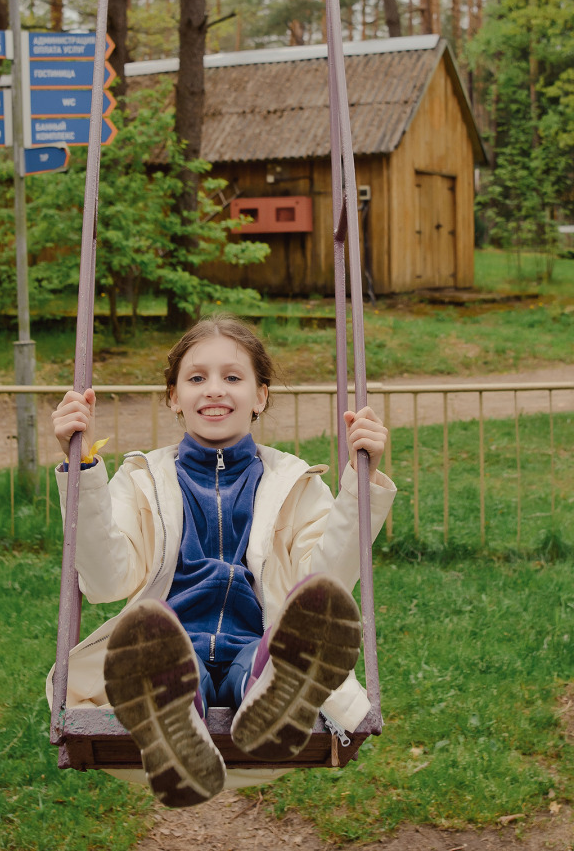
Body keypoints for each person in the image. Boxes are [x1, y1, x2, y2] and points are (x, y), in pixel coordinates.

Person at [47, 314, 396, 809]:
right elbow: (104, 579)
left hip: (253, 649)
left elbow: (324, 581)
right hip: (169, 649)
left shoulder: (294, 484)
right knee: (149, 633)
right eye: (196, 378)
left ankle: (274, 697)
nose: (214, 390)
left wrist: (361, 482)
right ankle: (174, 723)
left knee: (297, 629)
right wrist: (82, 469)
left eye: (233, 377)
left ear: (260, 396)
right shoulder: (141, 479)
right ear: (173, 396)